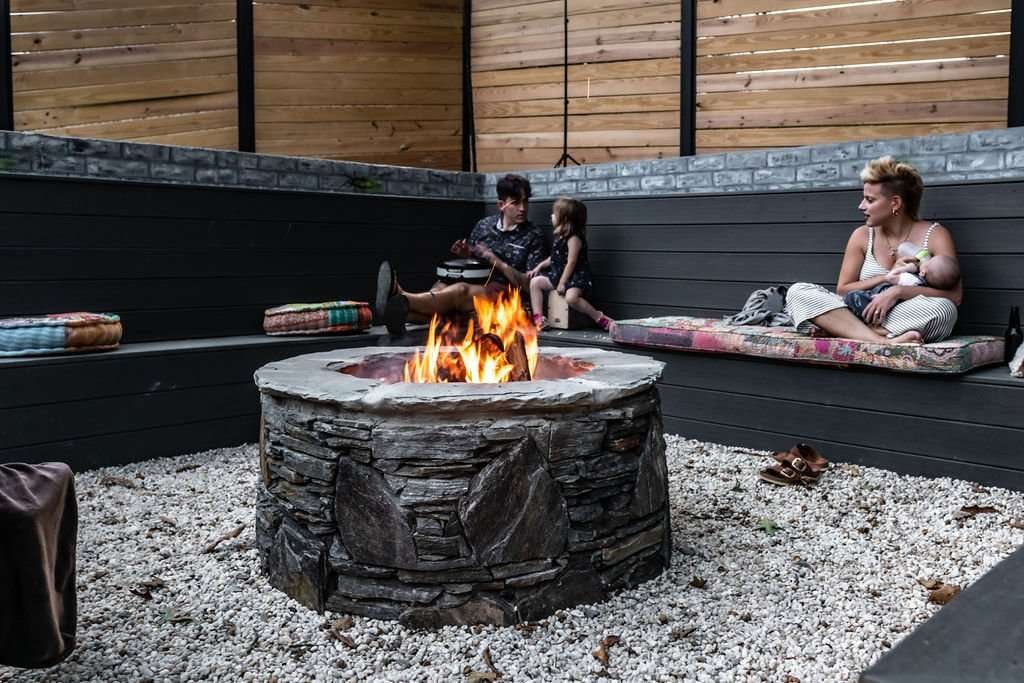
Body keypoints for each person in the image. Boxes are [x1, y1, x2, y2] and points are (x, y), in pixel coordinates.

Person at [786, 156, 961, 344]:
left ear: (895, 203)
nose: (861, 206)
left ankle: (846, 330)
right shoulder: (861, 235)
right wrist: (886, 279)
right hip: (857, 310)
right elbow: (843, 290)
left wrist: (896, 292)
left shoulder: (936, 235)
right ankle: (882, 340)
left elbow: (954, 297)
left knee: (944, 310)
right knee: (798, 292)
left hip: (898, 315)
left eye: (869, 200)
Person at [375, 174, 547, 334]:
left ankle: (402, 297)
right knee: (441, 286)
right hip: (478, 286)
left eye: (525, 202)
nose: (523, 208)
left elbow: (528, 285)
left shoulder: (533, 235)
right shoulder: (484, 226)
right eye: (516, 203)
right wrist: (467, 254)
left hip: (506, 296)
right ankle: (403, 314)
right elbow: (474, 264)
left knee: (460, 291)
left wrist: (496, 260)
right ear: (501, 205)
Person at [527, 197, 612, 331]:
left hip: (575, 278)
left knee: (571, 298)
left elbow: (571, 262)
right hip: (558, 275)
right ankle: (539, 318)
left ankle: (599, 318)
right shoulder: (560, 237)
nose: (552, 216)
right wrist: (539, 266)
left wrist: (562, 282)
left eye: (555, 214)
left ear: (564, 219)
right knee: (535, 282)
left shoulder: (574, 239)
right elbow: (554, 257)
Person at [844, 252, 960, 319]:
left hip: (877, 304)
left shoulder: (909, 279)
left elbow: (891, 277)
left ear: (923, 272)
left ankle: (867, 326)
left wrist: (905, 268)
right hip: (895, 312)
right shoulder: (923, 285)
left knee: (852, 296)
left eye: (928, 261)